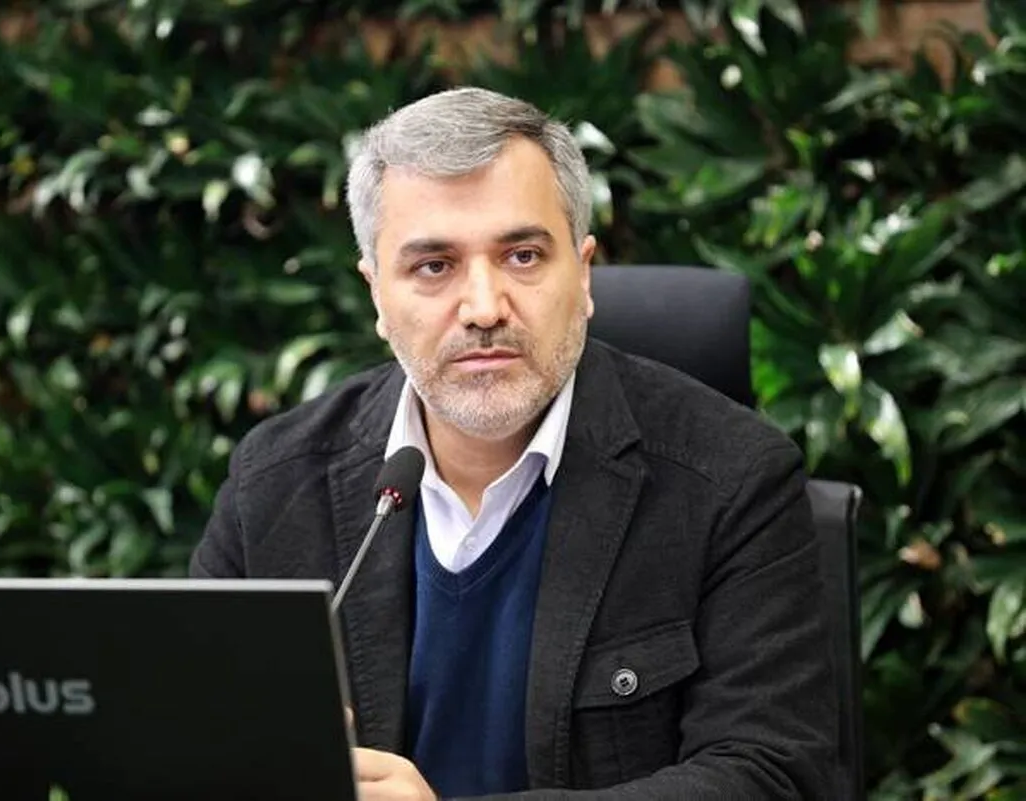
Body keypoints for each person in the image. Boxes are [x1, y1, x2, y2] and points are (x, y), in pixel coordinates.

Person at [190, 86, 838, 800]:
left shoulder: (732, 478)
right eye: (434, 266)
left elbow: (773, 774)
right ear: (376, 294)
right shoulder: (275, 482)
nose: (483, 308)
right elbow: (193, 740)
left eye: (523, 256)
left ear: (583, 274)